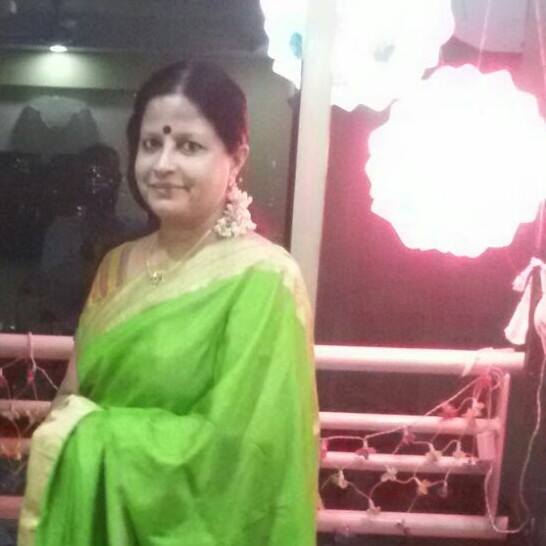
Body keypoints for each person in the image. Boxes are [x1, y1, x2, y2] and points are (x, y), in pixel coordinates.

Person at [18, 61, 319, 546]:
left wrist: (89, 435)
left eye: (189, 146)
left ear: (237, 158)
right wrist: (71, 436)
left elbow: (243, 456)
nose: (162, 165)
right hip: (96, 520)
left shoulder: (265, 279)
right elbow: (72, 399)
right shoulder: (116, 265)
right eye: (150, 144)